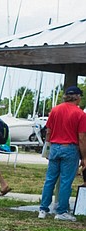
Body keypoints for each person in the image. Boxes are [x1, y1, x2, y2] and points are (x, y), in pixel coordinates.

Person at [37, 85, 86, 221]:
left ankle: (43, 209)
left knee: (50, 179)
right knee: (65, 181)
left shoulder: (55, 110)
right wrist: (84, 157)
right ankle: (61, 211)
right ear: (76, 97)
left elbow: (48, 131)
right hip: (70, 148)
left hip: (54, 147)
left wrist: (48, 148)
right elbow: (81, 138)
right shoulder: (80, 114)